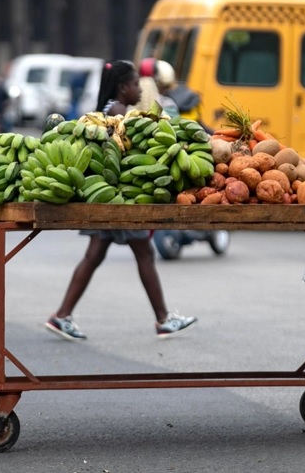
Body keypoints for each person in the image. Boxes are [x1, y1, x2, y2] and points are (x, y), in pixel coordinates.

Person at [45, 60, 198, 341]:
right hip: (119, 197)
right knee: (143, 253)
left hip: (107, 195)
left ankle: (62, 315)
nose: (141, 88)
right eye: (136, 83)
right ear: (122, 87)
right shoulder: (117, 112)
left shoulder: (111, 109)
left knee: (95, 256)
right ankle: (162, 319)